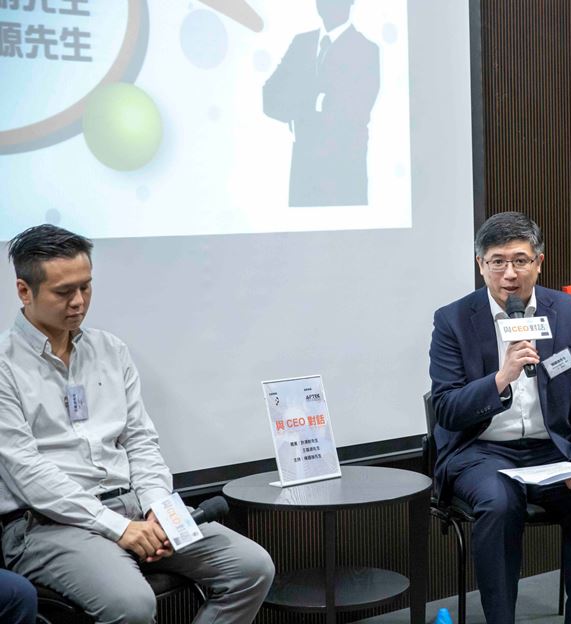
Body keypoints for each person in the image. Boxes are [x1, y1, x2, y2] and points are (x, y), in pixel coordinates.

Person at [0, 225, 275, 624]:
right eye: (63, 292)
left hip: (131, 504)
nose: (79, 302)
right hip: (47, 524)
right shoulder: (5, 365)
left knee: (251, 568)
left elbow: (140, 441)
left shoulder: (110, 350)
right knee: (132, 604)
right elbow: (26, 471)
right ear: (24, 291)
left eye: (86, 287)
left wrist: (158, 507)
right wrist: (117, 528)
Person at [429, 212, 571, 624]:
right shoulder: (453, 320)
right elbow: (446, 408)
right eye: (497, 261)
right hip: (481, 452)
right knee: (498, 504)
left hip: (553, 451)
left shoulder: (569, 312)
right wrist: (501, 378)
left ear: (539, 262)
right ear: (480, 265)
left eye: (520, 260)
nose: (509, 274)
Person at [263, 0, 380, 206]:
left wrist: (300, 106)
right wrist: (317, 101)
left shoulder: (366, 50)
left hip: (344, 180)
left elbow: (354, 111)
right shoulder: (301, 44)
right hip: (303, 179)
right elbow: (269, 96)